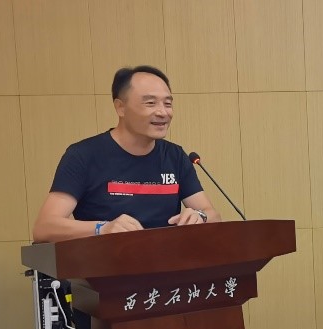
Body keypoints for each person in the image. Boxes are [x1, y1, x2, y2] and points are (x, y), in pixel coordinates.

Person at [32, 65, 220, 242]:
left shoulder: (175, 156)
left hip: (168, 262)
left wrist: (200, 216)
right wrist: (102, 228)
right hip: (104, 262)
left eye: (168, 103)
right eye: (150, 103)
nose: (163, 112)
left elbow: (213, 215)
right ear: (120, 107)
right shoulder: (83, 155)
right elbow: (44, 228)